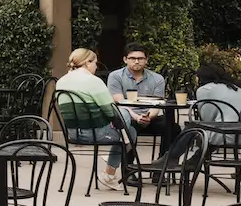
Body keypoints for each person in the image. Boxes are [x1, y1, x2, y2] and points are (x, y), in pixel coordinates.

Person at [55, 48, 127, 188]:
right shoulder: (94, 81)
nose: (96, 66)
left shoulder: (61, 81)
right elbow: (111, 110)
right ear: (87, 62)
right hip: (95, 134)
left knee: (126, 130)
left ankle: (114, 164)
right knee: (127, 121)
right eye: (95, 63)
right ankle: (112, 171)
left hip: (72, 133)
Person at [105, 44, 176, 153]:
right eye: (132, 58)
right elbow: (119, 103)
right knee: (127, 128)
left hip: (149, 116)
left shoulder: (157, 79)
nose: (136, 61)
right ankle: (128, 167)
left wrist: (148, 117)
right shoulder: (115, 76)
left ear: (146, 60)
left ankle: (163, 162)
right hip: (128, 116)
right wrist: (137, 117)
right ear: (125, 59)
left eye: (140, 58)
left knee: (173, 128)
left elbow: (158, 104)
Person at [192, 62, 241, 147]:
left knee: (193, 128)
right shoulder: (237, 87)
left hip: (232, 135)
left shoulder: (206, 89)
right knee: (213, 132)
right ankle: (195, 159)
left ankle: (172, 157)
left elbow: (206, 120)